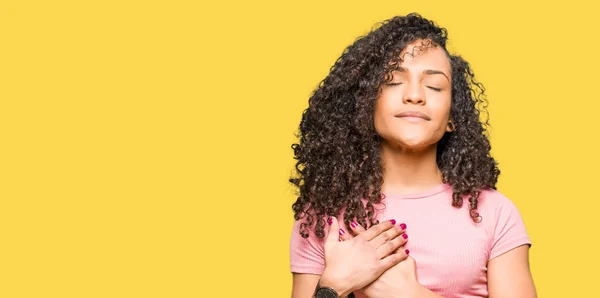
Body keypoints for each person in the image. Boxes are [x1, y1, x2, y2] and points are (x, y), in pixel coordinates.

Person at [288, 13, 537, 298]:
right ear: (365, 106)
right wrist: (332, 286)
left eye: (434, 86)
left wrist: (408, 293)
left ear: (452, 117)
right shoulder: (323, 216)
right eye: (394, 82)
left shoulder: (495, 213)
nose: (415, 95)